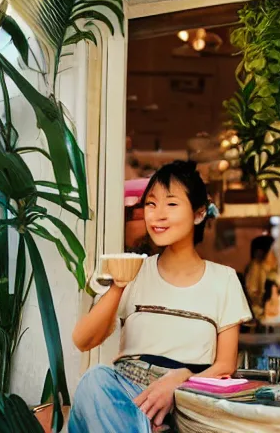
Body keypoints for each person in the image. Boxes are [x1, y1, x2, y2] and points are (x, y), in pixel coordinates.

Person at [69, 161, 252, 433]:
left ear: (199, 213)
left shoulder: (223, 279)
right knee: (95, 380)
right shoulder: (135, 271)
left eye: (171, 204)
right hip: (127, 390)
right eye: (151, 204)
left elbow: (225, 365)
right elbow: (83, 340)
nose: (158, 215)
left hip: (188, 398)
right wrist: (119, 285)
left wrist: (181, 381)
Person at [244, 235, 278, 320]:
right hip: (259, 315)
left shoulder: (267, 268)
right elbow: (253, 292)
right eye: (271, 251)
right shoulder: (256, 268)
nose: (273, 254)